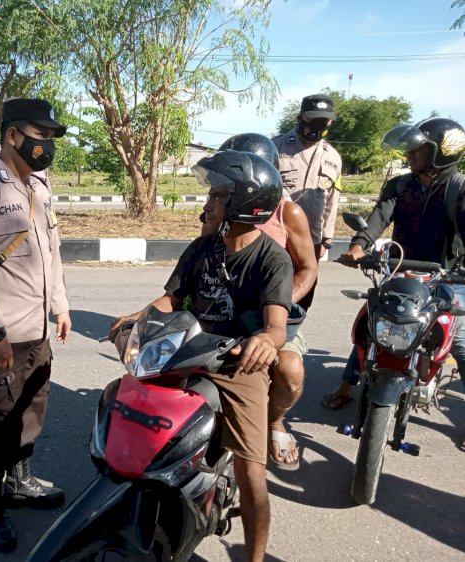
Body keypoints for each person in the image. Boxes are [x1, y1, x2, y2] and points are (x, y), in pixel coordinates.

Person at [111, 151, 293, 562]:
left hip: (237, 363)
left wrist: (265, 341)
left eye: (217, 196)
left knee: (251, 473)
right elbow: (172, 298)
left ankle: (254, 557)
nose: (207, 204)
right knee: (133, 407)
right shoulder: (201, 247)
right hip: (186, 349)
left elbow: (277, 326)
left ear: (243, 204)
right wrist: (136, 318)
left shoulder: (271, 259)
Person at [0, 97, 72, 552]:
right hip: (1, 335)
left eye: (50, 138)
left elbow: (52, 256)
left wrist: (59, 306)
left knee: (31, 410)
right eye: (39, 136)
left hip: (37, 330)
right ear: (13, 135)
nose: (46, 145)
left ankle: (20, 481)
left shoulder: (40, 191)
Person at [322, 118, 465, 422]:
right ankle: (347, 386)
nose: (411, 153)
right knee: (372, 324)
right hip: (401, 270)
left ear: (443, 153)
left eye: (420, 148)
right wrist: (359, 247)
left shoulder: (459, 189)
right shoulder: (400, 184)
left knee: (462, 345)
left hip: (447, 276)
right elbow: (378, 217)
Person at [203, 133, 317, 470]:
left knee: (289, 369)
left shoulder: (288, 212)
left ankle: (274, 421)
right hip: (223, 310)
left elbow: (308, 269)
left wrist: (275, 303)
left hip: (271, 316)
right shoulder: (220, 208)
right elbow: (202, 257)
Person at [272, 93, 343, 310]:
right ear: (300, 117)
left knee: (302, 297)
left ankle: (292, 337)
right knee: (272, 293)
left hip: (311, 240)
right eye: (313, 120)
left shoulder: (333, 157)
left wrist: (327, 240)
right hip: (277, 238)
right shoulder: (276, 147)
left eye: (324, 121)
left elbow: (332, 201)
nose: (318, 125)